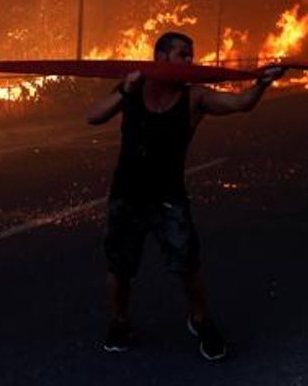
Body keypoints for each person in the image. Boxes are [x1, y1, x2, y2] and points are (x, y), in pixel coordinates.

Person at [85, 31, 286, 361]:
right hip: (127, 194)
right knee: (120, 267)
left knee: (187, 266)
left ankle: (201, 320)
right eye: (182, 55)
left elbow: (240, 103)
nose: (189, 61)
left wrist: (263, 83)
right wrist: (124, 90)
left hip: (168, 197)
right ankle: (119, 322)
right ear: (161, 58)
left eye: (191, 55)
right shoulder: (133, 89)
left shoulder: (195, 98)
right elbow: (92, 117)